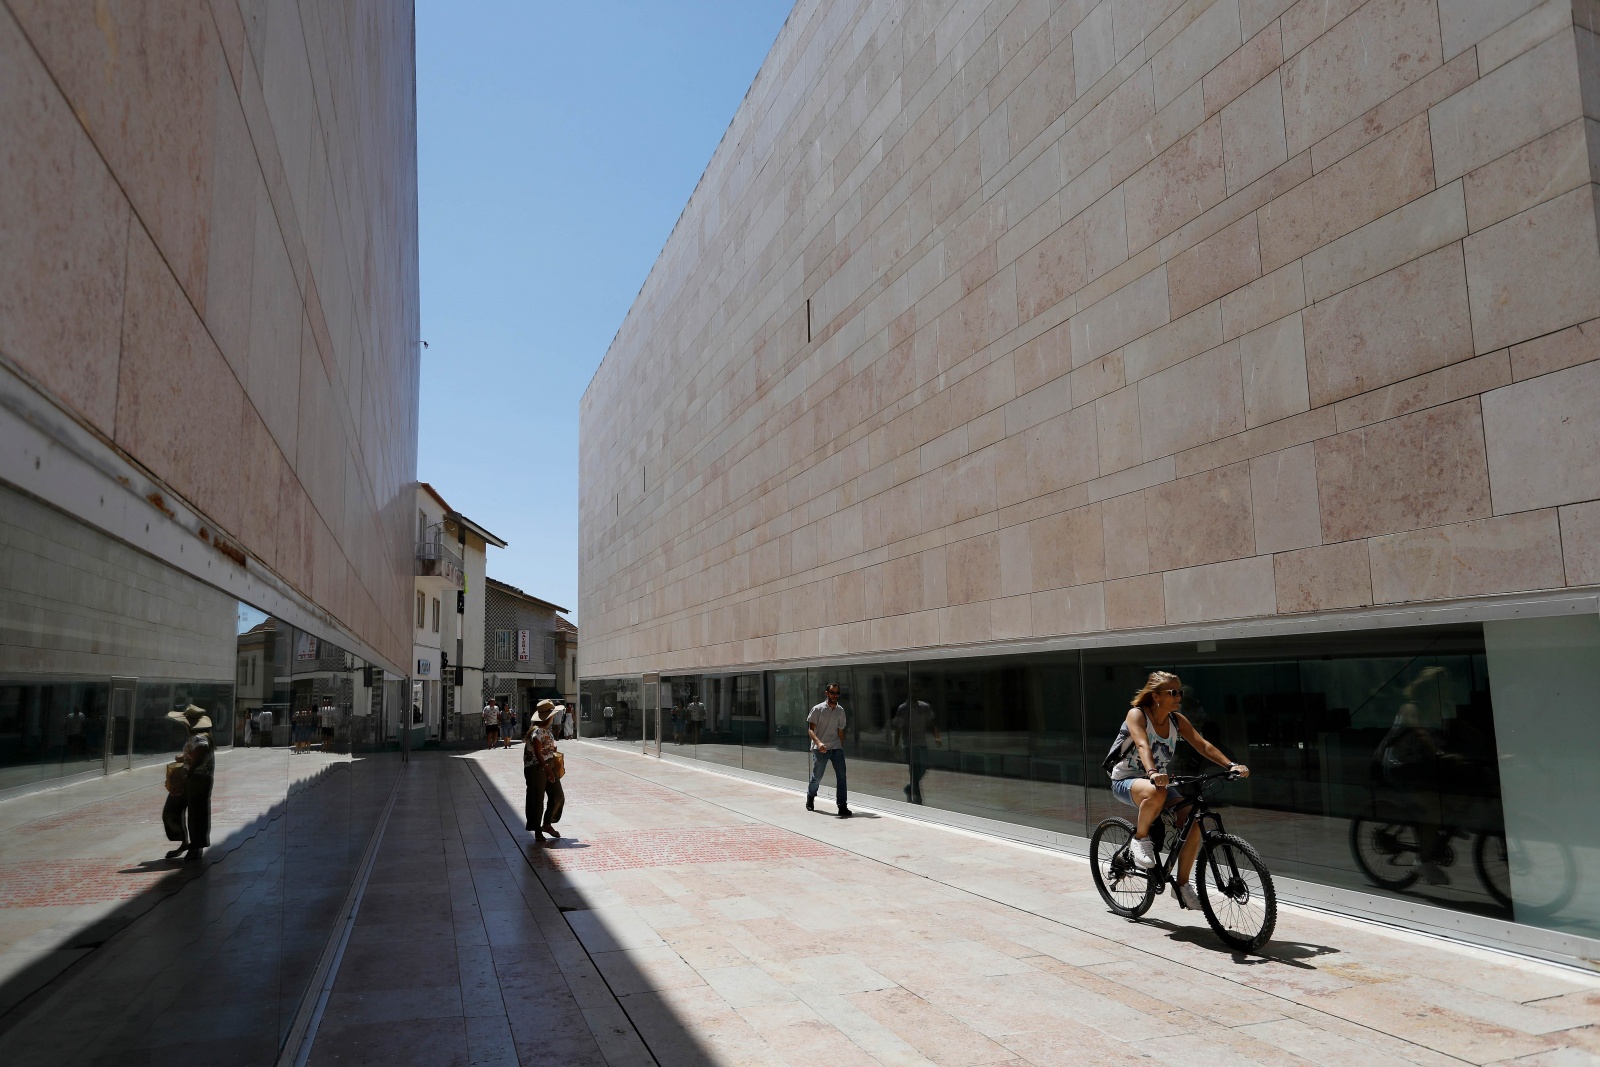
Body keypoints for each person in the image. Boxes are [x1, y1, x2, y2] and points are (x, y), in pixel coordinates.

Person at [1107, 672, 1248, 911]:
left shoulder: (1176, 720)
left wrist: (1230, 765)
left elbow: (1202, 744)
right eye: (1172, 692)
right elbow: (1142, 744)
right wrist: (1151, 772)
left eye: (1179, 692)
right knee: (1156, 792)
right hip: (1127, 781)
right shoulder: (1137, 715)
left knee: (1193, 821)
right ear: (1156, 696)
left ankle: (1182, 886)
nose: (1178, 696)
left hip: (1158, 783)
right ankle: (1140, 839)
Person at [163, 705, 215, 865]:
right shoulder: (197, 738)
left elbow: (200, 753)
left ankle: (196, 847)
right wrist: (184, 758)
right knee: (172, 809)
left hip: (197, 779)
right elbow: (194, 754)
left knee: (197, 813)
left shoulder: (200, 738)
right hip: (189, 778)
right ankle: (185, 841)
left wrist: (190, 771)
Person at [806, 683, 851, 818]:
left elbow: (840, 730)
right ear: (826, 693)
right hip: (821, 748)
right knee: (817, 777)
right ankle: (810, 796)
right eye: (832, 693)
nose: (835, 696)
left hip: (836, 748)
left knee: (842, 777)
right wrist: (818, 743)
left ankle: (842, 806)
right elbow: (810, 730)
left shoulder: (840, 711)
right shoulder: (817, 709)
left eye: (837, 693)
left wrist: (841, 746)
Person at [524, 703, 565, 840]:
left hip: (548, 764)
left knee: (557, 795)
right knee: (537, 799)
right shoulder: (537, 732)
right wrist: (547, 769)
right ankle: (537, 830)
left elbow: (544, 749)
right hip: (537, 768)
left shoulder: (546, 730)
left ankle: (547, 823)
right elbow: (537, 752)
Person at [892, 697, 940, 804]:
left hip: (922, 744)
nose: (917, 691)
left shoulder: (924, 707)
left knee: (923, 768)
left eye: (918, 688)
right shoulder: (903, 708)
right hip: (909, 745)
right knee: (914, 770)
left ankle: (909, 788)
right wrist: (895, 745)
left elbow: (932, 723)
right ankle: (917, 797)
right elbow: (898, 728)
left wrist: (937, 737)